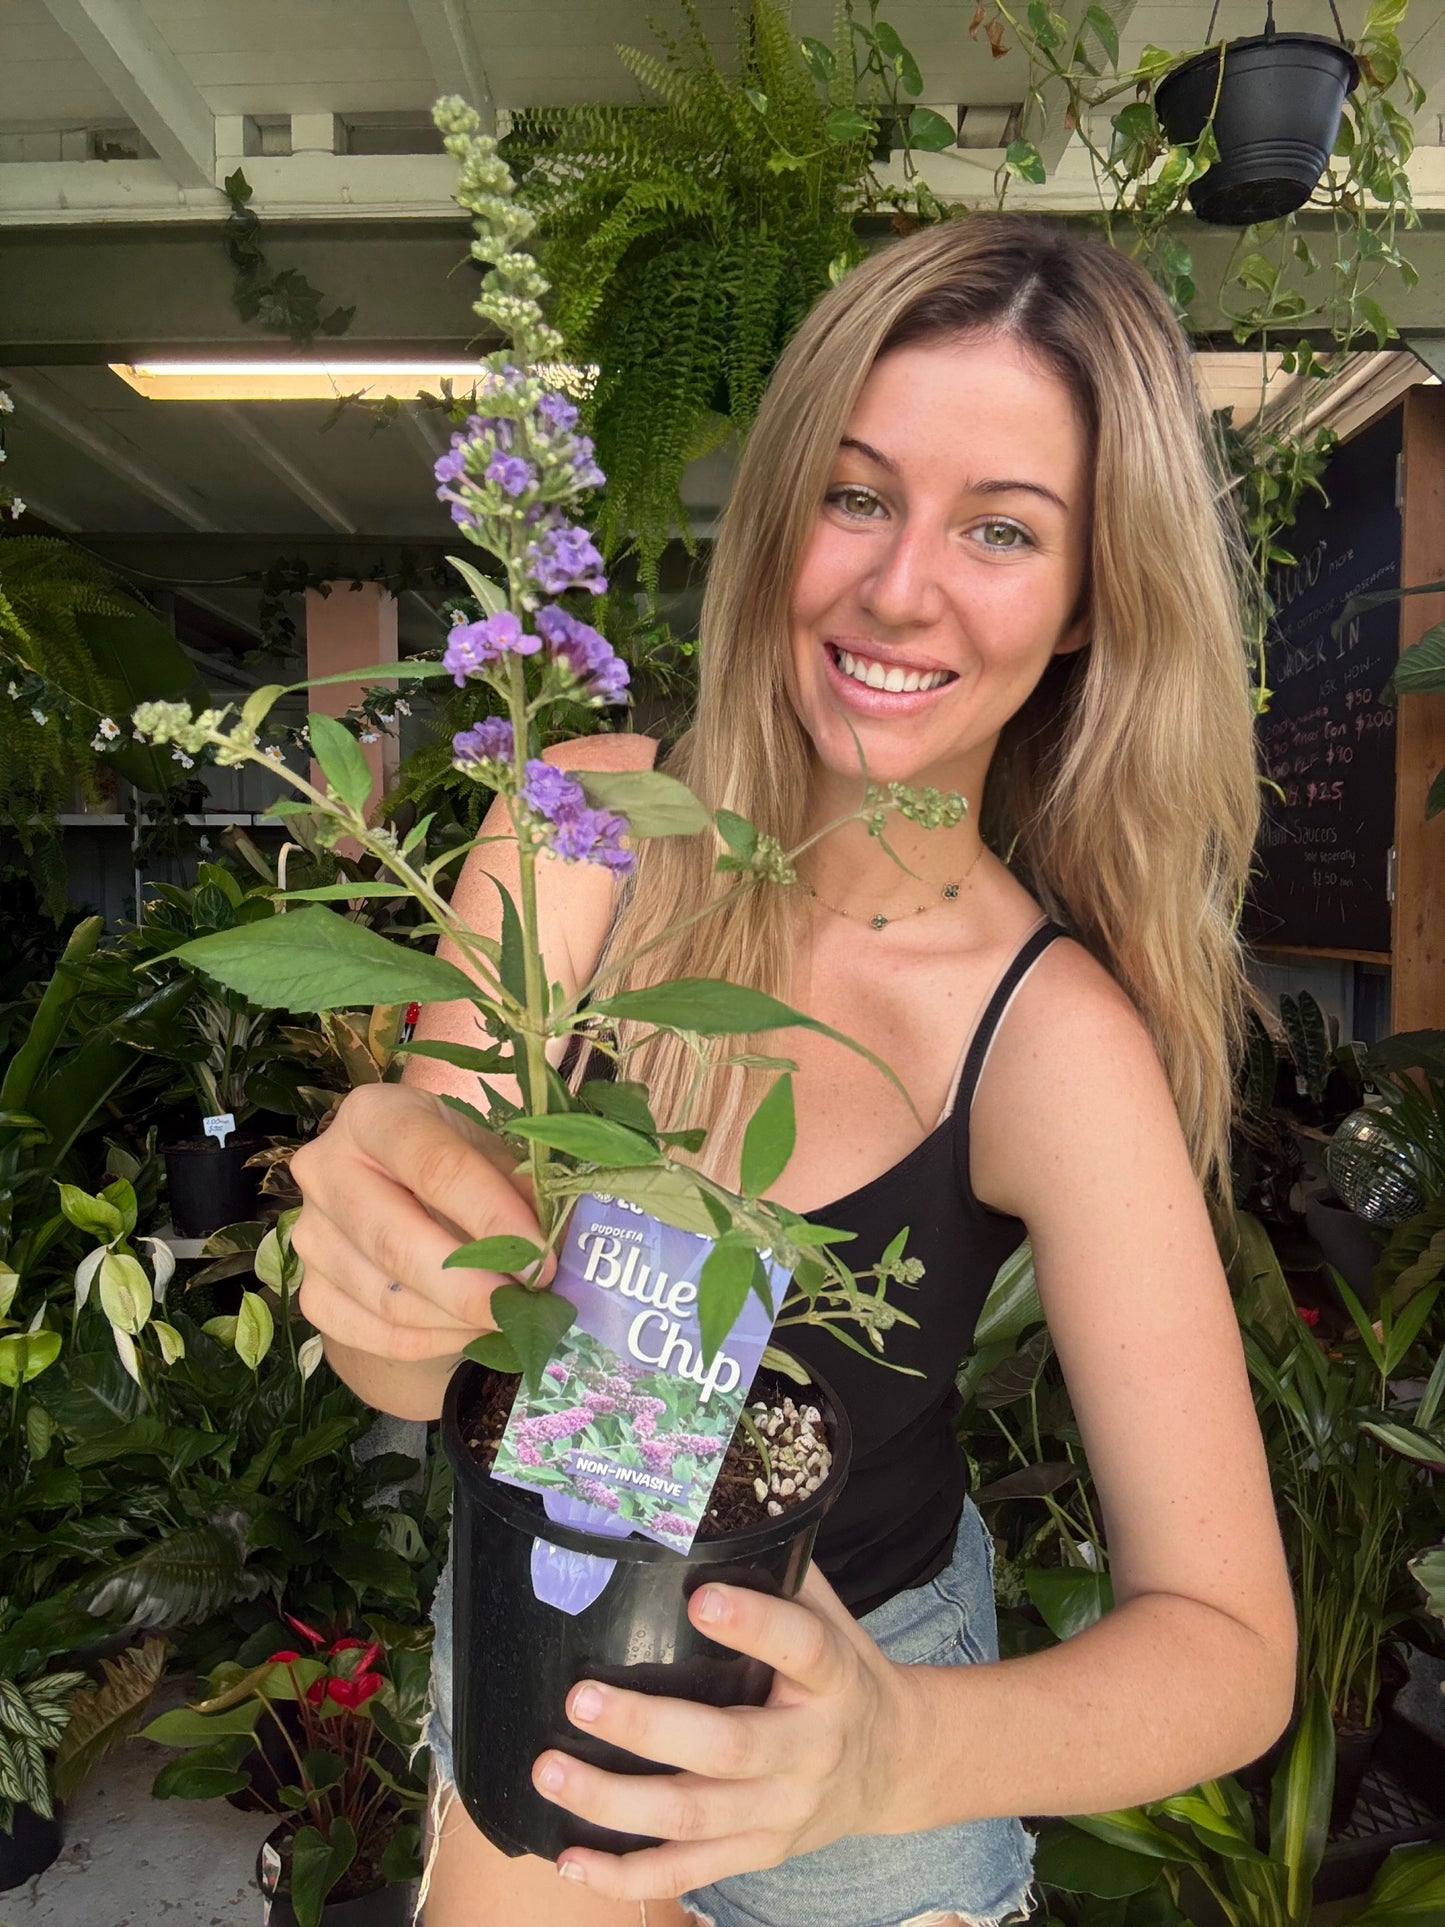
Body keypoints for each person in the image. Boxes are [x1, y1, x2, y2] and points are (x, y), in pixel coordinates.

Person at [290, 213, 1296, 1927]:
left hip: (876, 1739)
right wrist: (378, 1279)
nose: (900, 585)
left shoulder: (1052, 1041)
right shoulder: (572, 833)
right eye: (855, 494)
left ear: (1084, 605)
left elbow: (1228, 1647)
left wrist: (888, 1749)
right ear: (776, 520)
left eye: (1000, 530)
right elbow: (417, 1383)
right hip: (551, 1630)